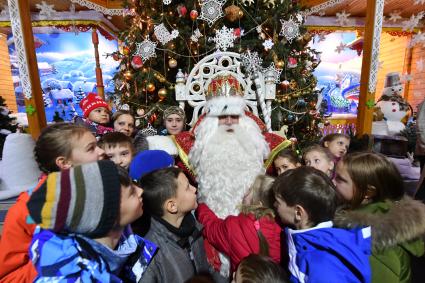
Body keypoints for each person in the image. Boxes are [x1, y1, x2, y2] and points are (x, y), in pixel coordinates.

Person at [0, 123, 105, 282]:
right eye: (91, 148)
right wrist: (58, 261)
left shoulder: (103, 189)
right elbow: (8, 276)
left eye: (97, 144)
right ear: (64, 163)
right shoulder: (26, 210)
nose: (102, 151)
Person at [27, 160, 156, 281]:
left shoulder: (126, 243)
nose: (141, 191)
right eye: (132, 192)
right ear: (106, 216)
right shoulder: (75, 277)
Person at [333, 152, 425, 283]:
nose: (332, 181)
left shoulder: (375, 242)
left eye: (340, 179)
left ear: (368, 192)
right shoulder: (366, 214)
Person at [273, 166, 372, 283]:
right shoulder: (320, 243)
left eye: (278, 202)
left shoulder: (322, 263)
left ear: (298, 213)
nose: (274, 205)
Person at [139, 167, 212, 282]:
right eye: (188, 187)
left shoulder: (194, 228)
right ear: (172, 206)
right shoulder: (149, 253)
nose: (194, 189)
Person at [196, 174, 281, 273]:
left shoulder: (235, 227)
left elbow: (211, 227)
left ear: (258, 204)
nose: (245, 193)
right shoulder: (281, 229)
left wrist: (201, 205)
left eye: (249, 190)